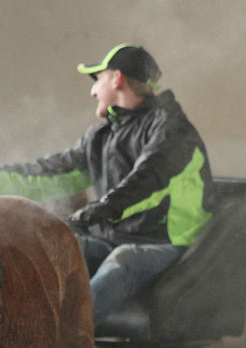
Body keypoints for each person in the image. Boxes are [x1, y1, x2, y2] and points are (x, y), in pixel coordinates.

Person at [0, 44, 217, 329]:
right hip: (116, 237)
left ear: (117, 79)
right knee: (59, 245)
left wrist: (94, 213)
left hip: (166, 244)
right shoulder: (101, 137)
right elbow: (49, 173)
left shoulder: (172, 129)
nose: (92, 92)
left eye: (97, 80)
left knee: (123, 260)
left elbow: (146, 184)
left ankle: (61, 343)